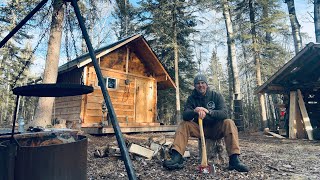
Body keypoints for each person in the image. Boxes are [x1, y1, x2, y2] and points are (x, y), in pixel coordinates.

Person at [163, 74, 249, 172]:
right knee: (183, 125)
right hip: (199, 129)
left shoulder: (216, 96)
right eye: (198, 83)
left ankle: (234, 160)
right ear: (195, 86)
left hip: (216, 128)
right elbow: (185, 115)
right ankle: (176, 158)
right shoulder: (191, 99)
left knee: (229, 122)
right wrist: (195, 110)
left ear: (206, 85)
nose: (200, 85)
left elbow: (224, 113)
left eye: (203, 83)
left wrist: (208, 111)